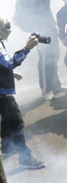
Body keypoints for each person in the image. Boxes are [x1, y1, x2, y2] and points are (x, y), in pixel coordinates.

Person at [0, 15, 45, 169]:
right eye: (5, 27)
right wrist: (27, 49)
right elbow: (9, 63)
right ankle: (25, 158)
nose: (9, 30)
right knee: (17, 123)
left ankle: (7, 146)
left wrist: (11, 74)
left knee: (7, 119)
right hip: (2, 95)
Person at [13, 0, 63, 101]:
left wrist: (53, 25)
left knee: (54, 59)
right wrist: (35, 29)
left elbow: (47, 12)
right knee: (45, 61)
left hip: (51, 29)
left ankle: (56, 86)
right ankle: (46, 91)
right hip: (41, 33)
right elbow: (17, 20)